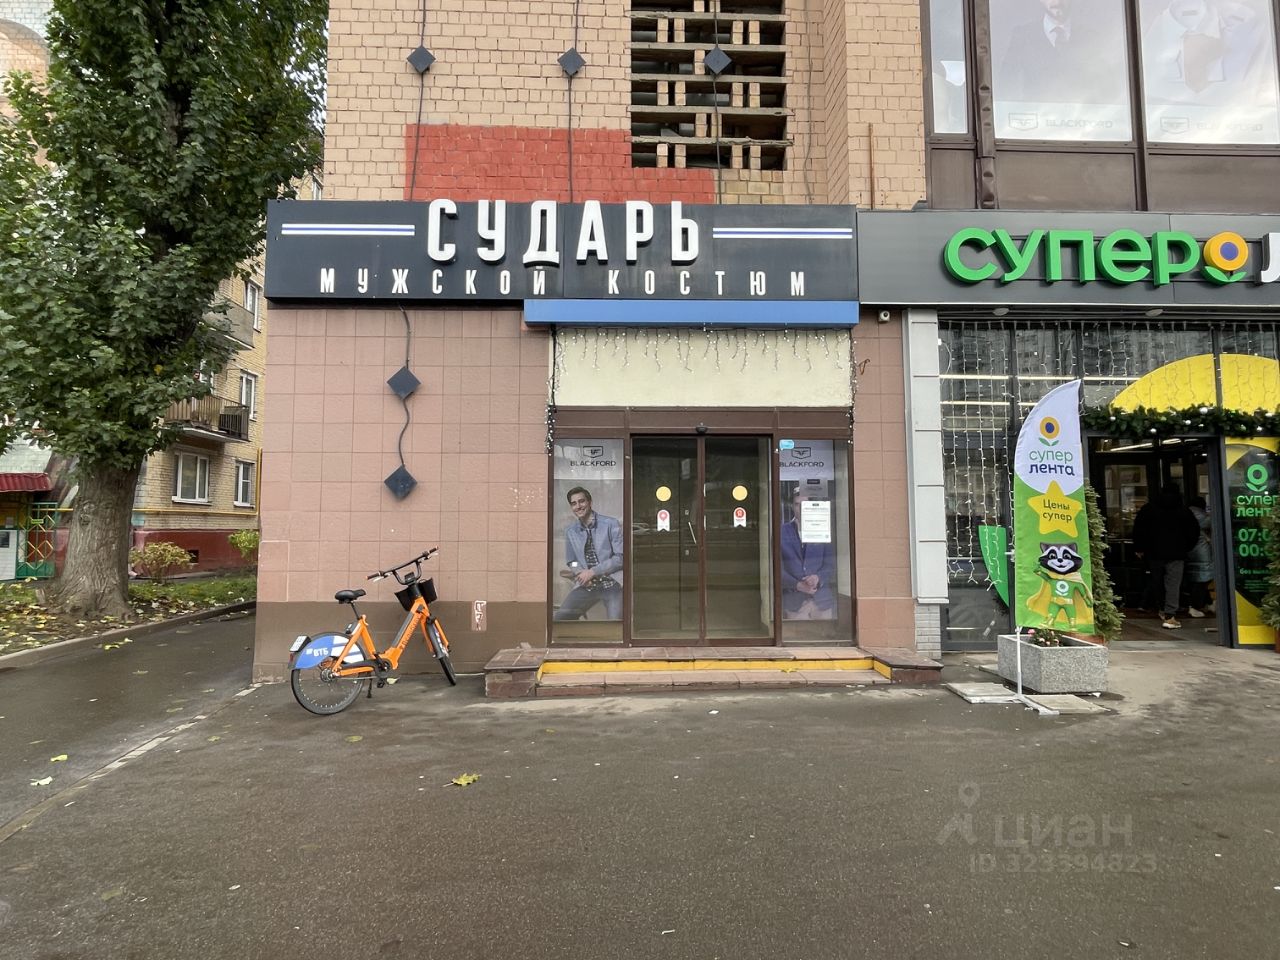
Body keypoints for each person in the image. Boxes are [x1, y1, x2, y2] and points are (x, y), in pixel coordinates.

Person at [1132, 485, 1202, 629]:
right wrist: (1185, 548)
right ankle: (1170, 615)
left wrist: (1140, 548)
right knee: (1173, 584)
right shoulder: (1184, 511)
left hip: (1154, 553)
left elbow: (1139, 529)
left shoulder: (1148, 509)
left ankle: (1161, 608)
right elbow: (1194, 532)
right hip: (1177, 553)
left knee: (1156, 581)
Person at [552, 486, 623, 621]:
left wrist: (592, 572)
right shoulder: (570, 531)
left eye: (581, 501)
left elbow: (620, 558)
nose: (578, 506)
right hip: (587, 586)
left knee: (616, 625)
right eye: (574, 503)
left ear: (590, 502)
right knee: (560, 620)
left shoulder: (610, 524)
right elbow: (571, 561)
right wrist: (580, 573)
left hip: (612, 584)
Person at [780, 488, 836, 620]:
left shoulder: (822, 528)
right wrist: (797, 585)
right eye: (797, 504)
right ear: (792, 507)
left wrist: (818, 578)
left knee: (825, 632)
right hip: (794, 601)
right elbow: (776, 568)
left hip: (822, 601)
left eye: (805, 504)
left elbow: (830, 564)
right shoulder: (781, 531)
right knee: (798, 633)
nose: (801, 509)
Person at [1185, 495, 1215, 618]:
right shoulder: (1202, 516)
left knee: (1199, 579)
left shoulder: (1186, 514)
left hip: (1190, 552)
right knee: (1202, 579)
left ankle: (1208, 603)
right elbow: (1216, 522)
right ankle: (1195, 606)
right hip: (1202, 552)